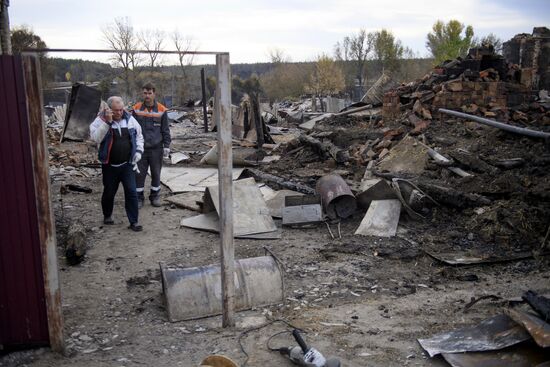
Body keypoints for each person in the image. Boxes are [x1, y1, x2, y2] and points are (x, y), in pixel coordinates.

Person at [90, 96, 144, 232]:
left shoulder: (130, 119)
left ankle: (134, 221)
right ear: (108, 109)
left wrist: (138, 151)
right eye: (116, 110)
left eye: (121, 109)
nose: (119, 113)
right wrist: (107, 123)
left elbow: (139, 136)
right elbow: (96, 138)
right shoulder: (100, 120)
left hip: (127, 164)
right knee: (109, 192)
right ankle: (107, 215)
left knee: (132, 192)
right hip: (109, 166)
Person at [132, 82, 171, 208]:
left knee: (156, 173)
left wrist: (167, 146)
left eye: (149, 93)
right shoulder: (136, 109)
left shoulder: (161, 110)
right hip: (141, 149)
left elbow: (165, 130)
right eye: (145, 93)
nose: (147, 96)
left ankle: (155, 197)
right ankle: (138, 198)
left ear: (154, 93)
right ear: (142, 93)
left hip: (156, 149)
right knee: (139, 174)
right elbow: (131, 129)